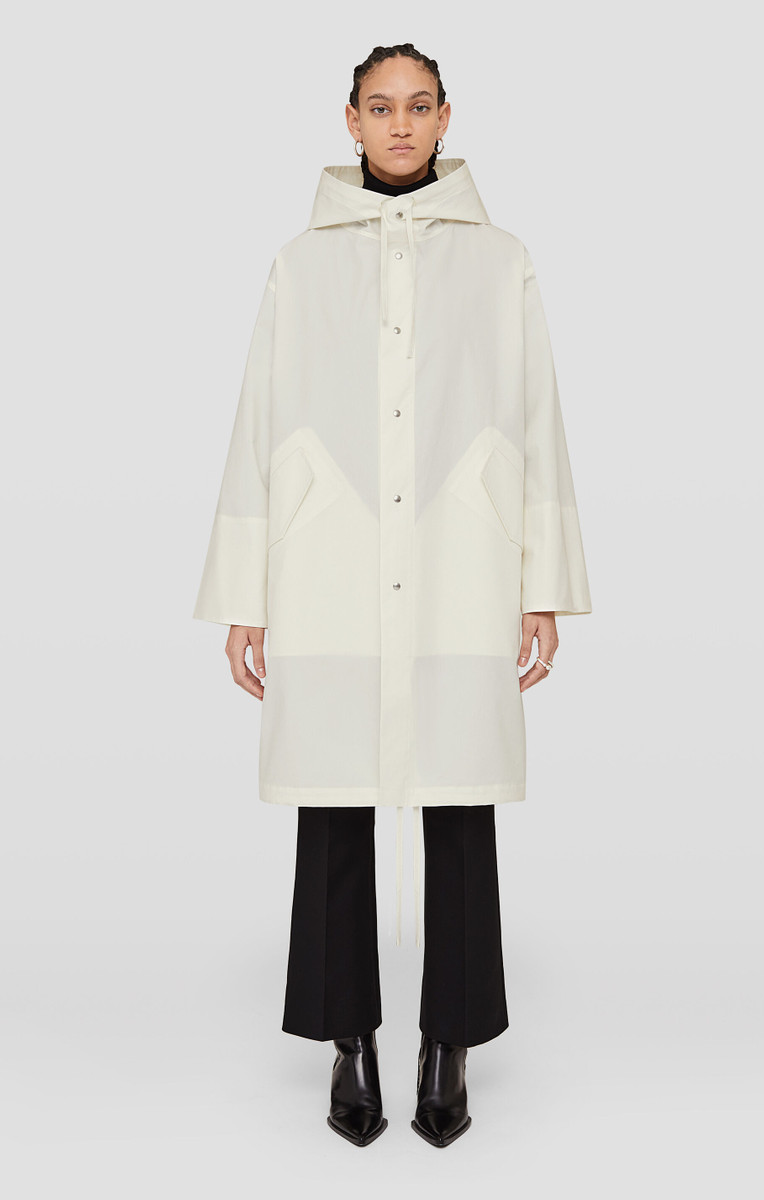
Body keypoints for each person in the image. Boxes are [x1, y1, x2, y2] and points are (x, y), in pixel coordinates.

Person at [193, 42, 592, 1149]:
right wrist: (246, 595)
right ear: (351, 121)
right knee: (334, 805)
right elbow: (259, 422)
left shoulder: (501, 261)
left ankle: (448, 1042)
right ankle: (348, 1039)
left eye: (419, 106)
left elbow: (535, 413)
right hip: (329, 560)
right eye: (381, 107)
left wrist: (541, 583)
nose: (401, 125)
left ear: (447, 117)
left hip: (462, 558)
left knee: (458, 803)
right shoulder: (299, 262)